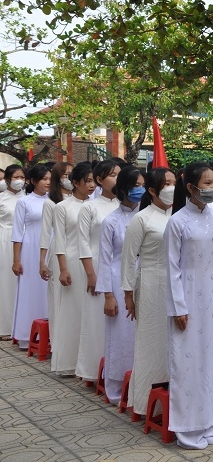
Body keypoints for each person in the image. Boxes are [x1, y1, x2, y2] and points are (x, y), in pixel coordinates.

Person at [164, 162, 213, 449]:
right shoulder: (177, 221)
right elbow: (171, 269)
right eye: (206, 184)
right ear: (190, 187)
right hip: (188, 296)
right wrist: (178, 307)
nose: (212, 189)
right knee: (187, 361)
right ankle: (189, 428)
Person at [121, 167, 174, 417]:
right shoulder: (141, 219)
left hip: (175, 285)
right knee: (150, 340)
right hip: (151, 282)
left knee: (172, 341)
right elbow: (128, 259)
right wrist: (128, 294)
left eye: (174, 182)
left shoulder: (179, 216)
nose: (172, 188)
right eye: (166, 184)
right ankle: (144, 402)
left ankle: (172, 397)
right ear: (152, 190)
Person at [95, 166, 143, 404]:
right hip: (117, 280)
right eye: (136, 185)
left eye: (143, 185)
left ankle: (140, 382)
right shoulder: (111, 221)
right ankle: (114, 387)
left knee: (141, 335)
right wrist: (108, 295)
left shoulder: (146, 217)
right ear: (124, 189)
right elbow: (104, 260)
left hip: (143, 280)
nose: (140, 189)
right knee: (120, 335)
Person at [76, 160, 121, 382]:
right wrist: (91, 274)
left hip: (119, 267)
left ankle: (116, 368)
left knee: (118, 319)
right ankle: (93, 369)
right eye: (111, 175)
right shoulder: (90, 207)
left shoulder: (125, 205)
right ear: (100, 180)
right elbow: (83, 243)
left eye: (119, 175)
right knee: (95, 319)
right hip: (95, 264)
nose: (116, 179)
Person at [51, 163, 95, 375]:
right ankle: (69, 362)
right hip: (71, 261)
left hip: (92, 263)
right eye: (87, 181)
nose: (91, 185)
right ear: (75, 182)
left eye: (93, 180)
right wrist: (62, 269)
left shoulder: (96, 205)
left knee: (91, 312)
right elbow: (59, 240)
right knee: (73, 312)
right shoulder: (62, 207)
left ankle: (90, 361)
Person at [10, 165, 51, 349]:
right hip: (30, 248)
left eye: (50, 178)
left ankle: (49, 332)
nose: (48, 182)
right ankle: (27, 334)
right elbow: (17, 233)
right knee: (31, 290)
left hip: (49, 246)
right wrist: (16, 259)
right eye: (44, 179)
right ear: (33, 181)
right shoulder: (24, 202)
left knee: (47, 289)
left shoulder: (53, 201)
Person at [39, 162, 73, 337]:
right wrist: (42, 261)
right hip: (58, 250)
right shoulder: (51, 203)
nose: (69, 179)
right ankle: (57, 339)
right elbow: (45, 233)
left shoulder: (81, 201)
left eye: (71, 174)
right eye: (65, 175)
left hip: (76, 251)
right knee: (58, 296)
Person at [0, 166, 26, 339]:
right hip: (6, 239)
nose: (19, 180)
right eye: (16, 176)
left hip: (28, 240)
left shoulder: (28, 198)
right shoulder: (1, 199)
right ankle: (6, 327)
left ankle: (23, 325)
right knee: (7, 282)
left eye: (22, 177)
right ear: (8, 179)